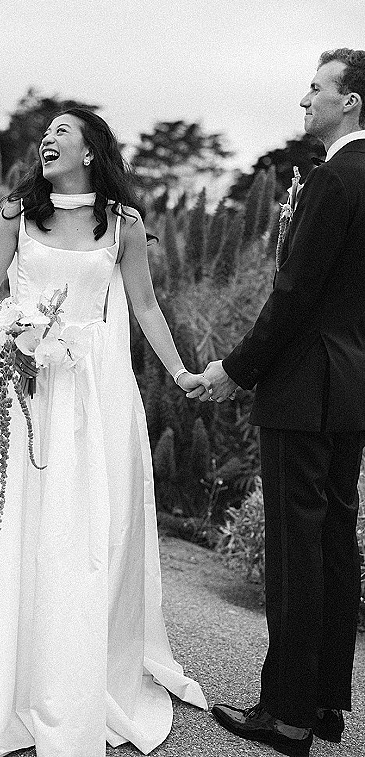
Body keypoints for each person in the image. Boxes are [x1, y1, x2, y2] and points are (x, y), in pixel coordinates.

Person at [0, 108, 209, 757]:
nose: (50, 138)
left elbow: (144, 305)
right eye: (48, 132)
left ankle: (58, 653)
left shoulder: (124, 225)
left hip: (87, 394)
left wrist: (179, 372)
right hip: (13, 376)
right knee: (8, 511)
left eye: (64, 131)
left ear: (91, 150)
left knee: (71, 523)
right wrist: (15, 328)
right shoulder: (16, 213)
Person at [195, 49, 365, 756]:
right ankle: (325, 704)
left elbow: (292, 294)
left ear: (351, 102)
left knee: (299, 553)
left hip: (303, 389)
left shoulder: (334, 180)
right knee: (333, 546)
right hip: (352, 388)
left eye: (318, 87)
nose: (305, 97)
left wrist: (235, 368)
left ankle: (287, 714)